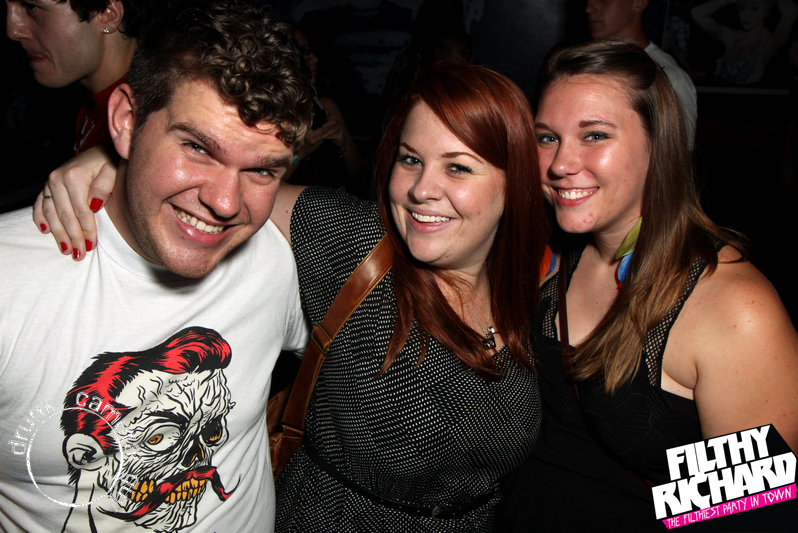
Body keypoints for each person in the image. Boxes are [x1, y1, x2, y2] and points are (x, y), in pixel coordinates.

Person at [33, 62, 551, 531]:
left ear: (515, 183)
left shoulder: (535, 284)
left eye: (457, 167)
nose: (420, 189)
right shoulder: (356, 244)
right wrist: (114, 161)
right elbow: (233, 197)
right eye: (410, 159)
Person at [0, 1, 312, 531]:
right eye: (197, 148)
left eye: (261, 170)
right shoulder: (12, 283)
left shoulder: (276, 260)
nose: (225, 203)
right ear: (125, 121)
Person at [496, 40, 798, 532]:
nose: (559, 163)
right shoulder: (554, 257)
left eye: (595, 135)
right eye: (547, 137)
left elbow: (755, 515)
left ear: (660, 145)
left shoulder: (733, 306)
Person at [6, 0, 164, 154]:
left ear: (107, 14)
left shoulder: (148, 125)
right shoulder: (97, 104)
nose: (12, 31)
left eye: (31, 7)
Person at [585, 0, 698, 144]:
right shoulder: (583, 69)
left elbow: (675, 155)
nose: (588, 8)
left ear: (638, 3)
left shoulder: (669, 78)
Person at [283, 27, 365, 193]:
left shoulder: (325, 106)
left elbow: (361, 176)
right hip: (294, 205)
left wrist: (343, 144)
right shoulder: (271, 113)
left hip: (335, 200)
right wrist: (300, 153)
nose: (314, 59)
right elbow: (264, 186)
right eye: (304, 53)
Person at [692, 0, 798, 85]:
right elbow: (697, 13)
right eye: (742, 9)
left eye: (754, 9)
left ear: (766, 10)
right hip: (725, 90)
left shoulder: (770, 40)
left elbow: (792, 12)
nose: (746, 15)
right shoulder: (733, 36)